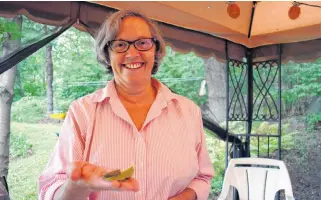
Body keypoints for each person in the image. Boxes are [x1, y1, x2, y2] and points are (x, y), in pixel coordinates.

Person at [38, 10, 214, 200]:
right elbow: (51, 188)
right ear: (107, 53)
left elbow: (202, 178)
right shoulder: (83, 113)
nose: (132, 53)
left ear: (155, 49)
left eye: (143, 43)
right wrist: (76, 188)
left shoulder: (188, 111)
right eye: (120, 44)